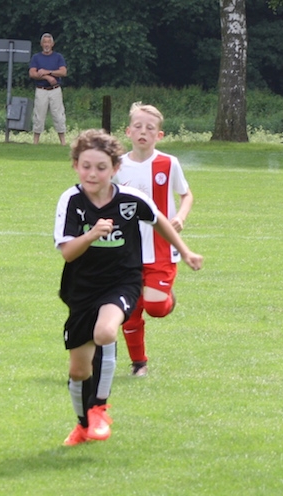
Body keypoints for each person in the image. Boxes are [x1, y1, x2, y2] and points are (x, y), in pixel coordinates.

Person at [54, 129, 203, 446]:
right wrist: (91, 234)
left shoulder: (130, 200)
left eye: (101, 167)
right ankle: (83, 425)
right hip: (81, 289)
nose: (92, 173)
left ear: (115, 168)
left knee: (106, 331)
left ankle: (100, 408)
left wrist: (186, 251)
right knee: (79, 371)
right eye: (86, 166)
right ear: (75, 165)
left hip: (122, 281)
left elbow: (159, 219)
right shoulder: (71, 201)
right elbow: (67, 252)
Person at [116, 103, 194, 377]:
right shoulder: (116, 166)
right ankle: (139, 364)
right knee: (129, 312)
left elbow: (186, 194)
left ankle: (166, 298)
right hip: (126, 252)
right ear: (128, 131)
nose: (143, 132)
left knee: (156, 308)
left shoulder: (168, 163)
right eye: (137, 126)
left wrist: (180, 217)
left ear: (159, 135)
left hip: (161, 248)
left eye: (150, 128)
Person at [29, 33, 67, 145]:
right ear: (41, 44)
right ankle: (35, 142)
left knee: (58, 115)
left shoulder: (58, 57)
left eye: (48, 42)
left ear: (52, 44)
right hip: (41, 90)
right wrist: (47, 77)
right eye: (44, 42)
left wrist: (48, 72)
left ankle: (63, 142)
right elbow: (32, 73)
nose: (46, 44)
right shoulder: (36, 57)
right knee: (39, 116)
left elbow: (63, 72)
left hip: (55, 90)